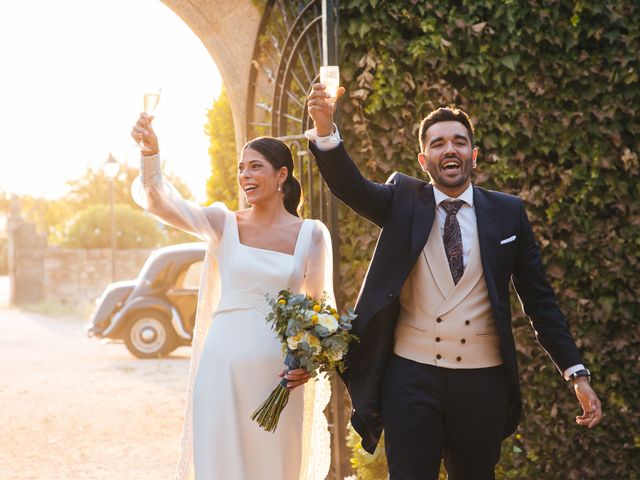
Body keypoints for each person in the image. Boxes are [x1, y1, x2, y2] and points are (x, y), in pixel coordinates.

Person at [305, 87, 602, 480]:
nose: (450, 150)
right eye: (439, 143)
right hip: (410, 379)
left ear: (473, 155)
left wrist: (576, 373)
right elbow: (351, 187)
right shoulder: (402, 201)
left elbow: (539, 301)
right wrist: (325, 130)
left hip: (483, 383)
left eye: (460, 142)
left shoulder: (509, 213)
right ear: (423, 158)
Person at [130, 113, 334, 480]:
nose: (245, 176)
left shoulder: (312, 235)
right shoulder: (223, 223)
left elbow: (318, 311)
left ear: (281, 175)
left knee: (275, 466)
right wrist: (151, 154)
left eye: (256, 167)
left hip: (277, 378)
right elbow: (162, 203)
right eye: (242, 169)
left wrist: (305, 360)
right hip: (220, 367)